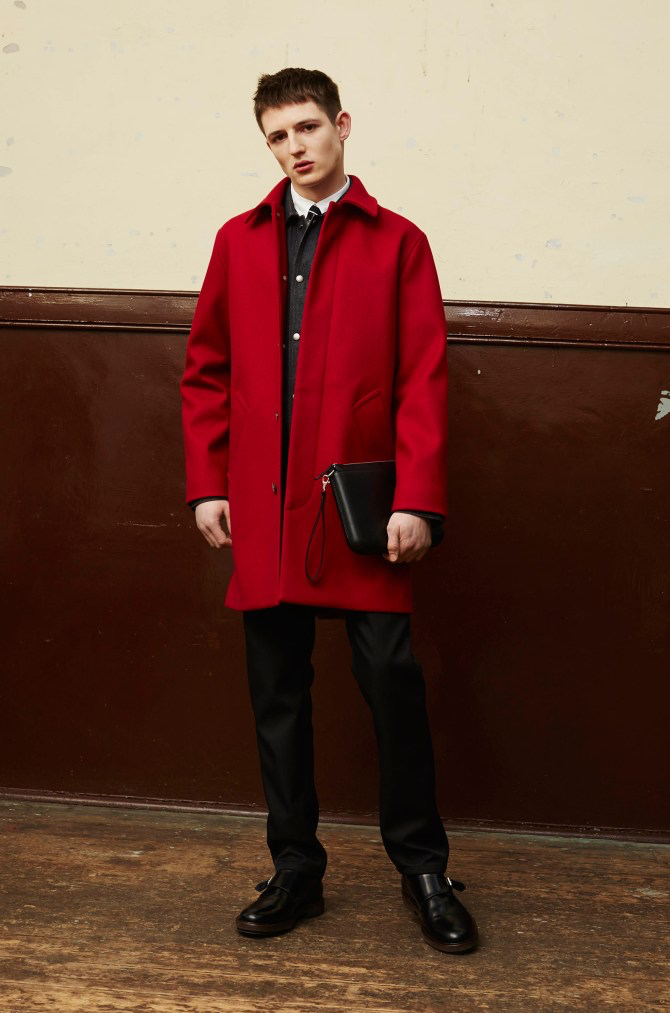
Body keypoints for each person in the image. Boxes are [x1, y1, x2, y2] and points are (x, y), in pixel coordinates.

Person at [180, 67, 478, 954]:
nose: (294, 147)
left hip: (359, 510)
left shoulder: (399, 242)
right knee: (277, 695)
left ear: (341, 124)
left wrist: (416, 499)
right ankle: (295, 870)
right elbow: (206, 370)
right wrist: (207, 482)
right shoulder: (237, 241)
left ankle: (423, 870)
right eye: (277, 136)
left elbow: (424, 377)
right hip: (263, 507)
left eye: (307, 127)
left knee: (391, 685)